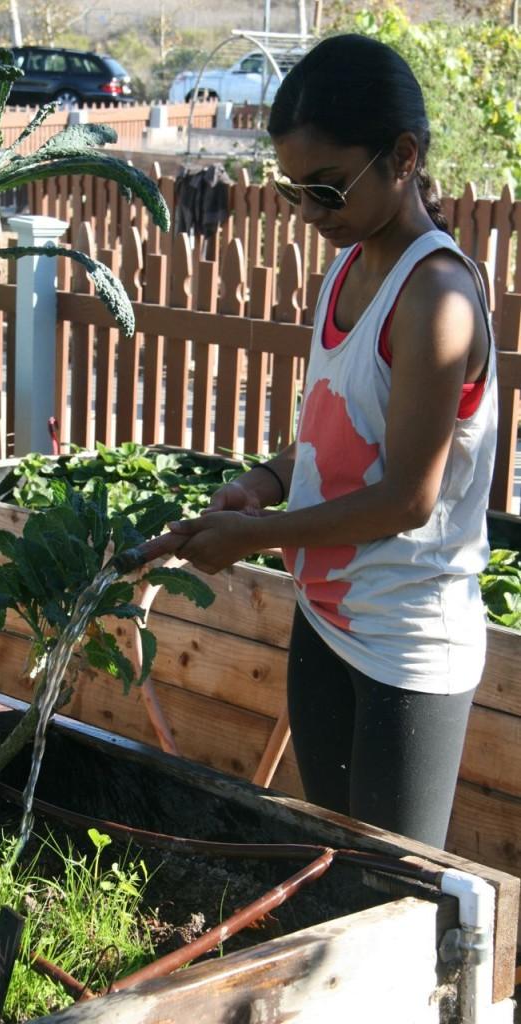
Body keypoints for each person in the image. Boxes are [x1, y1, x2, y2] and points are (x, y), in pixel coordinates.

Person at [163, 33, 498, 849]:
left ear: (404, 156)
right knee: (330, 861)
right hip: (327, 619)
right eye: (293, 192)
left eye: (325, 188)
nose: (309, 214)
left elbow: (408, 500)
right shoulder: (348, 268)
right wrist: (263, 483)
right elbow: (326, 435)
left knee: (394, 895)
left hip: (406, 647)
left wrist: (255, 535)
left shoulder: (437, 298)